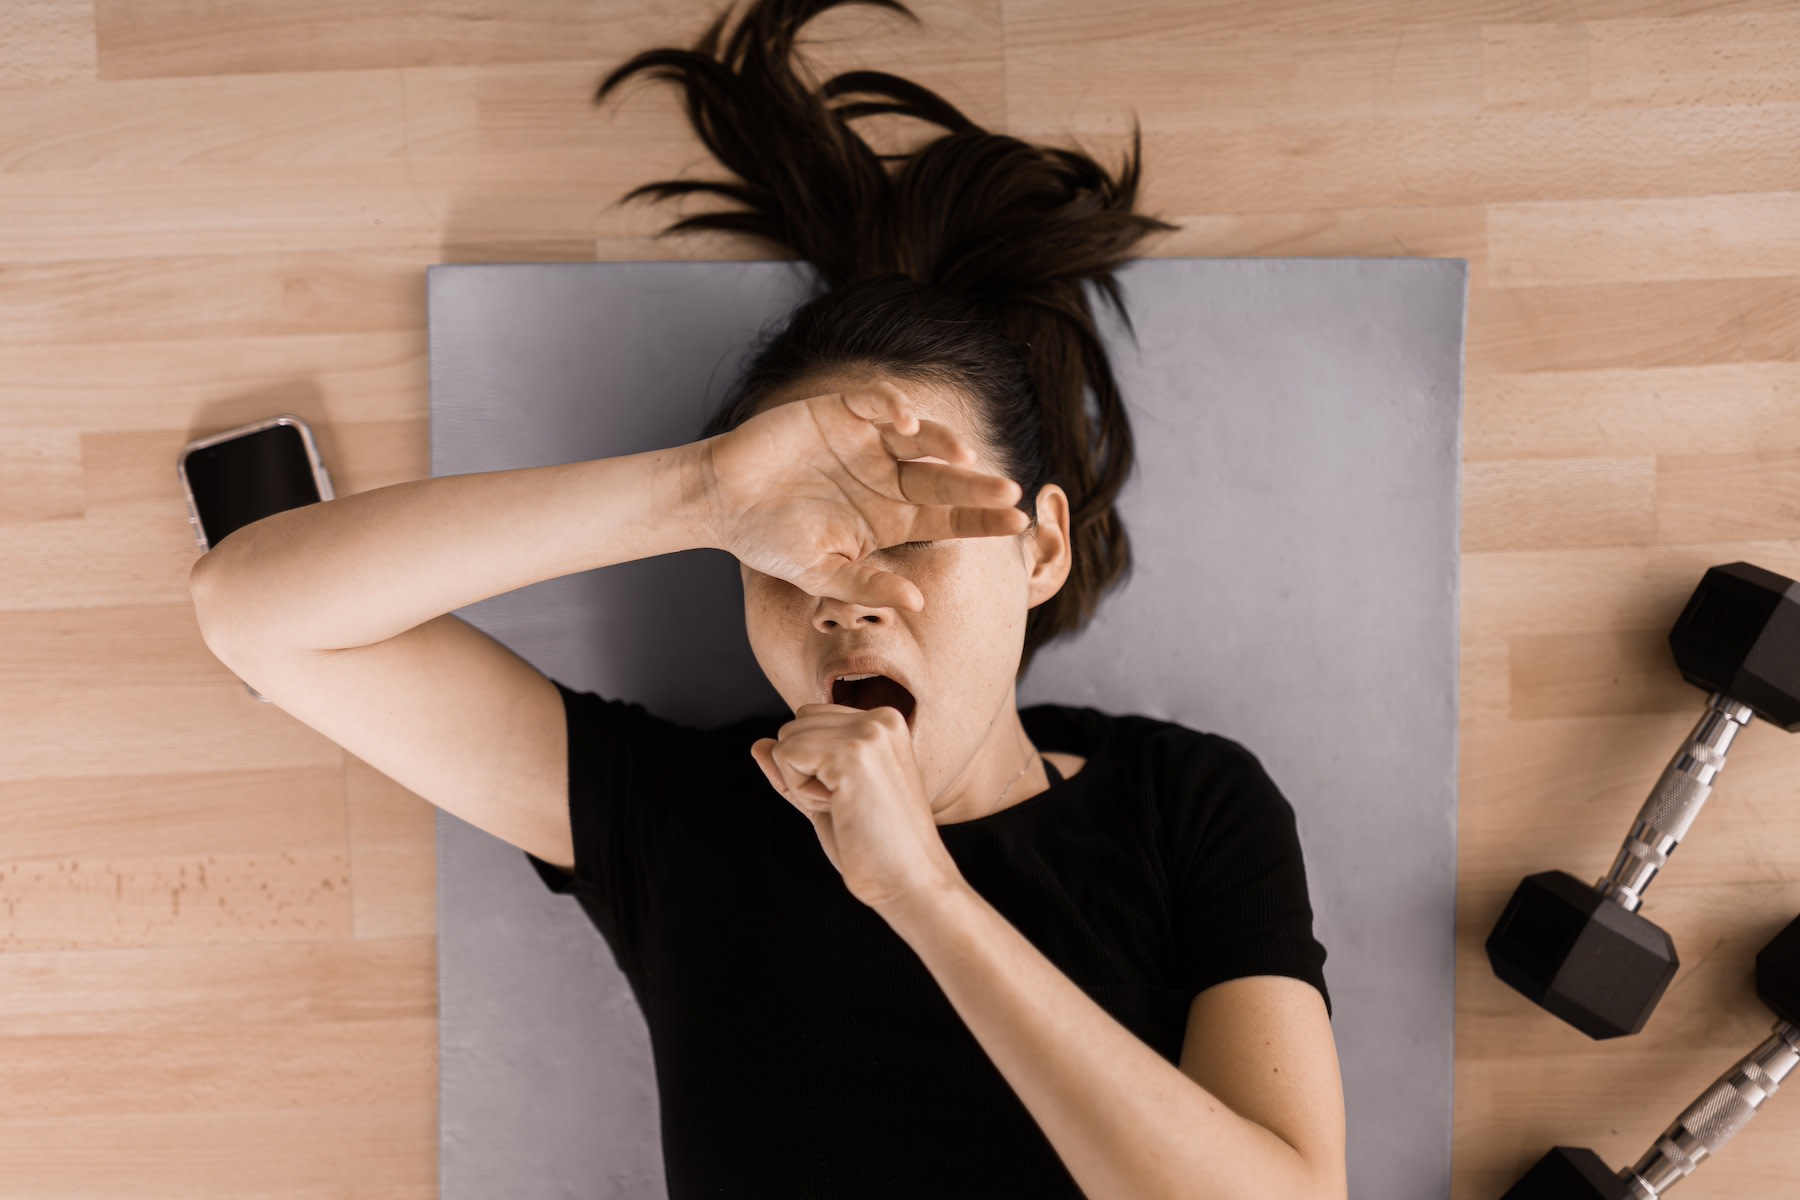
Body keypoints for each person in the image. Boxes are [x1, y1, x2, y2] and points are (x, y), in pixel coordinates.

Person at [187, 0, 1346, 1195]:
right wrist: (701, 493)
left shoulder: (1187, 805)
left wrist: (922, 896)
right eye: (790, 558)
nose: (845, 597)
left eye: (908, 537)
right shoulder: (681, 820)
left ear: (1040, 550)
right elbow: (253, 612)